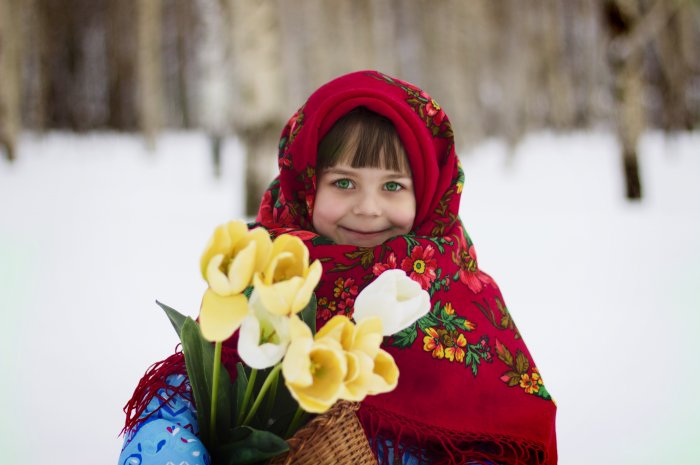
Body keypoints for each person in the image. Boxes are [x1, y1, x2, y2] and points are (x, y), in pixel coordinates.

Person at [119, 70, 557, 465]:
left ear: (426, 195)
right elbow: (185, 403)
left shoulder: (457, 292)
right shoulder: (267, 268)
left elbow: (505, 438)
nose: (368, 209)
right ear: (307, 186)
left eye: (393, 186)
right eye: (343, 182)